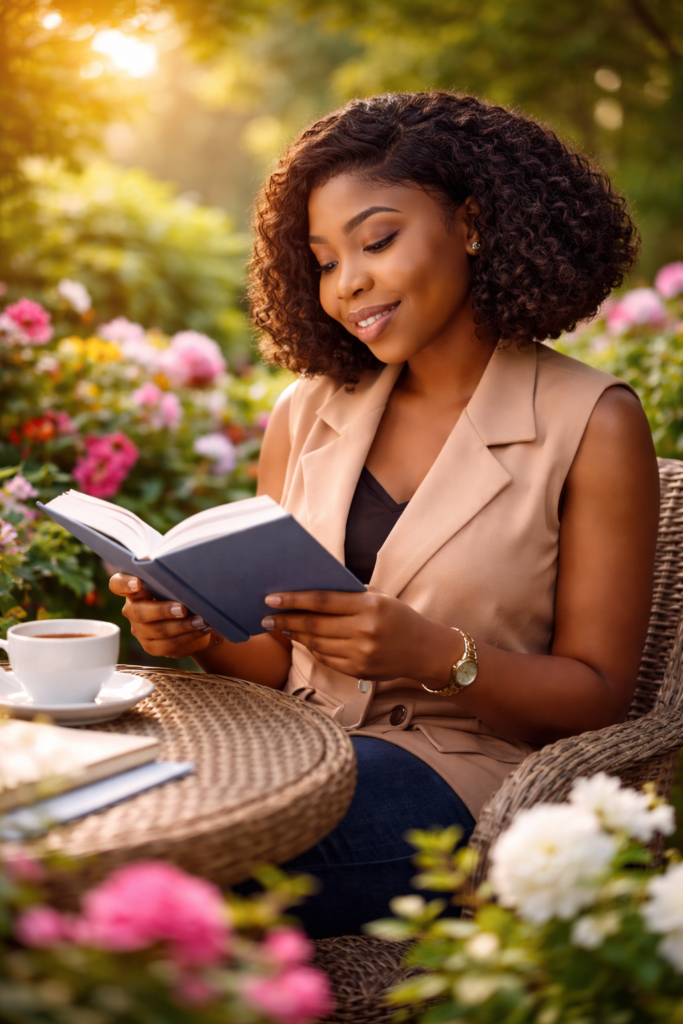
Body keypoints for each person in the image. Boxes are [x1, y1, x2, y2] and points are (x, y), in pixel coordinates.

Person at [110, 92, 659, 938]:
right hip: (284, 746)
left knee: (171, 873)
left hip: (460, 781)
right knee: (80, 817)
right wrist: (195, 630)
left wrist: (434, 656)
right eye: (324, 260)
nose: (347, 284)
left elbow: (599, 699)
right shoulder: (309, 409)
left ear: (471, 223)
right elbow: (274, 658)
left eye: (376, 241)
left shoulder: (593, 422)